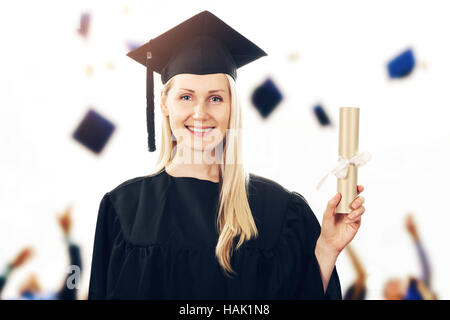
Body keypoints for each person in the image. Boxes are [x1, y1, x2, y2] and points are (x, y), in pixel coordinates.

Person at [88, 10, 366, 300]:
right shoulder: (123, 210)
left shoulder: (278, 212)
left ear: (232, 105)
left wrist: (327, 248)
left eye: (215, 98)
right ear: (164, 103)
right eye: (186, 96)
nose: (200, 113)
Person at [383, 214, 436, 300]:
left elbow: (426, 269)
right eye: (391, 285)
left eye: (395, 283)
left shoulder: (414, 292)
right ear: (386, 297)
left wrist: (415, 236)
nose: (395, 285)